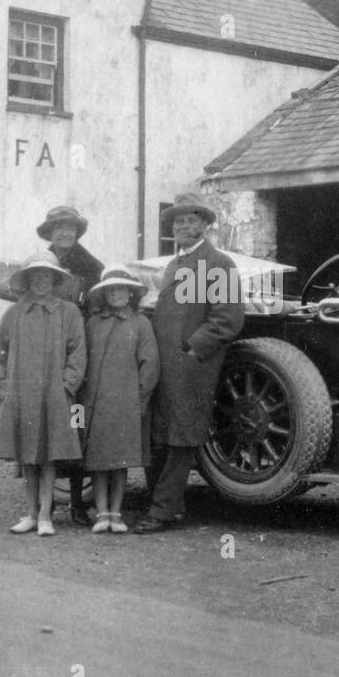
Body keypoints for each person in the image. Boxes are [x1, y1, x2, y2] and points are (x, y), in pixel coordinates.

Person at [132, 194, 244, 534]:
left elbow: (227, 320)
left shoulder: (219, 264)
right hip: (162, 365)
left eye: (191, 220)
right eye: (178, 221)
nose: (183, 225)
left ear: (205, 226)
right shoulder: (173, 265)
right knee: (158, 434)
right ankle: (172, 506)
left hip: (192, 366)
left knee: (182, 437)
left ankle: (162, 511)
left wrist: (192, 351)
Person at [0, 251, 86, 537]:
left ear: (54, 280)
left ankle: (46, 516)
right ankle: (31, 513)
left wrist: (67, 385)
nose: (41, 281)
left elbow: (78, 354)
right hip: (21, 394)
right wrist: (3, 385)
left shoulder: (69, 313)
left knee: (49, 456)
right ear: (28, 280)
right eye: (36, 276)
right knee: (27, 457)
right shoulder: (15, 313)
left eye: (46, 276)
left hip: (55, 394)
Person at [79, 265, 160, 534]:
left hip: (127, 403)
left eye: (122, 289)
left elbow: (150, 366)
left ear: (131, 293)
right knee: (99, 460)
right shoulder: (93, 323)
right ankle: (101, 512)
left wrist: (140, 399)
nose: (117, 294)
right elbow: (83, 361)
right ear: (104, 294)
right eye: (111, 290)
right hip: (96, 402)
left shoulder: (141, 324)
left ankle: (116, 512)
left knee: (120, 461)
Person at [36, 205, 103, 526]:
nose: (64, 233)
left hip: (77, 358)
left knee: (76, 426)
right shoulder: (38, 264)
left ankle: (78, 503)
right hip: (42, 360)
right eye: (58, 228)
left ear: (77, 232)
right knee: (41, 428)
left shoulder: (91, 267)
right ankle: (41, 504)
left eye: (70, 228)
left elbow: (97, 309)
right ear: (50, 233)